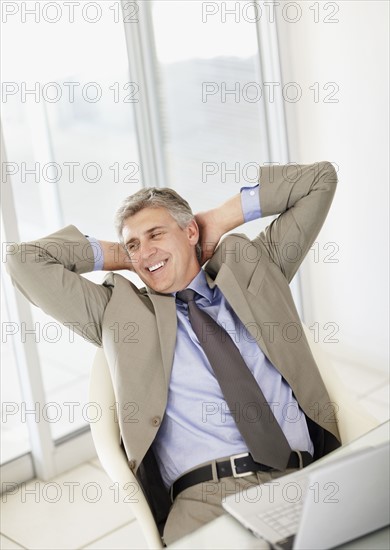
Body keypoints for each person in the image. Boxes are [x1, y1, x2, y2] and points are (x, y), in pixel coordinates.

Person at [6, 161, 341, 544]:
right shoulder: (119, 312)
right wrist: (122, 255)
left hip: (303, 474)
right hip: (206, 498)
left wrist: (219, 218)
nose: (145, 251)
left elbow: (319, 180)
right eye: (134, 243)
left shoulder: (254, 268)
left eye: (155, 234)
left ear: (189, 231)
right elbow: (23, 261)